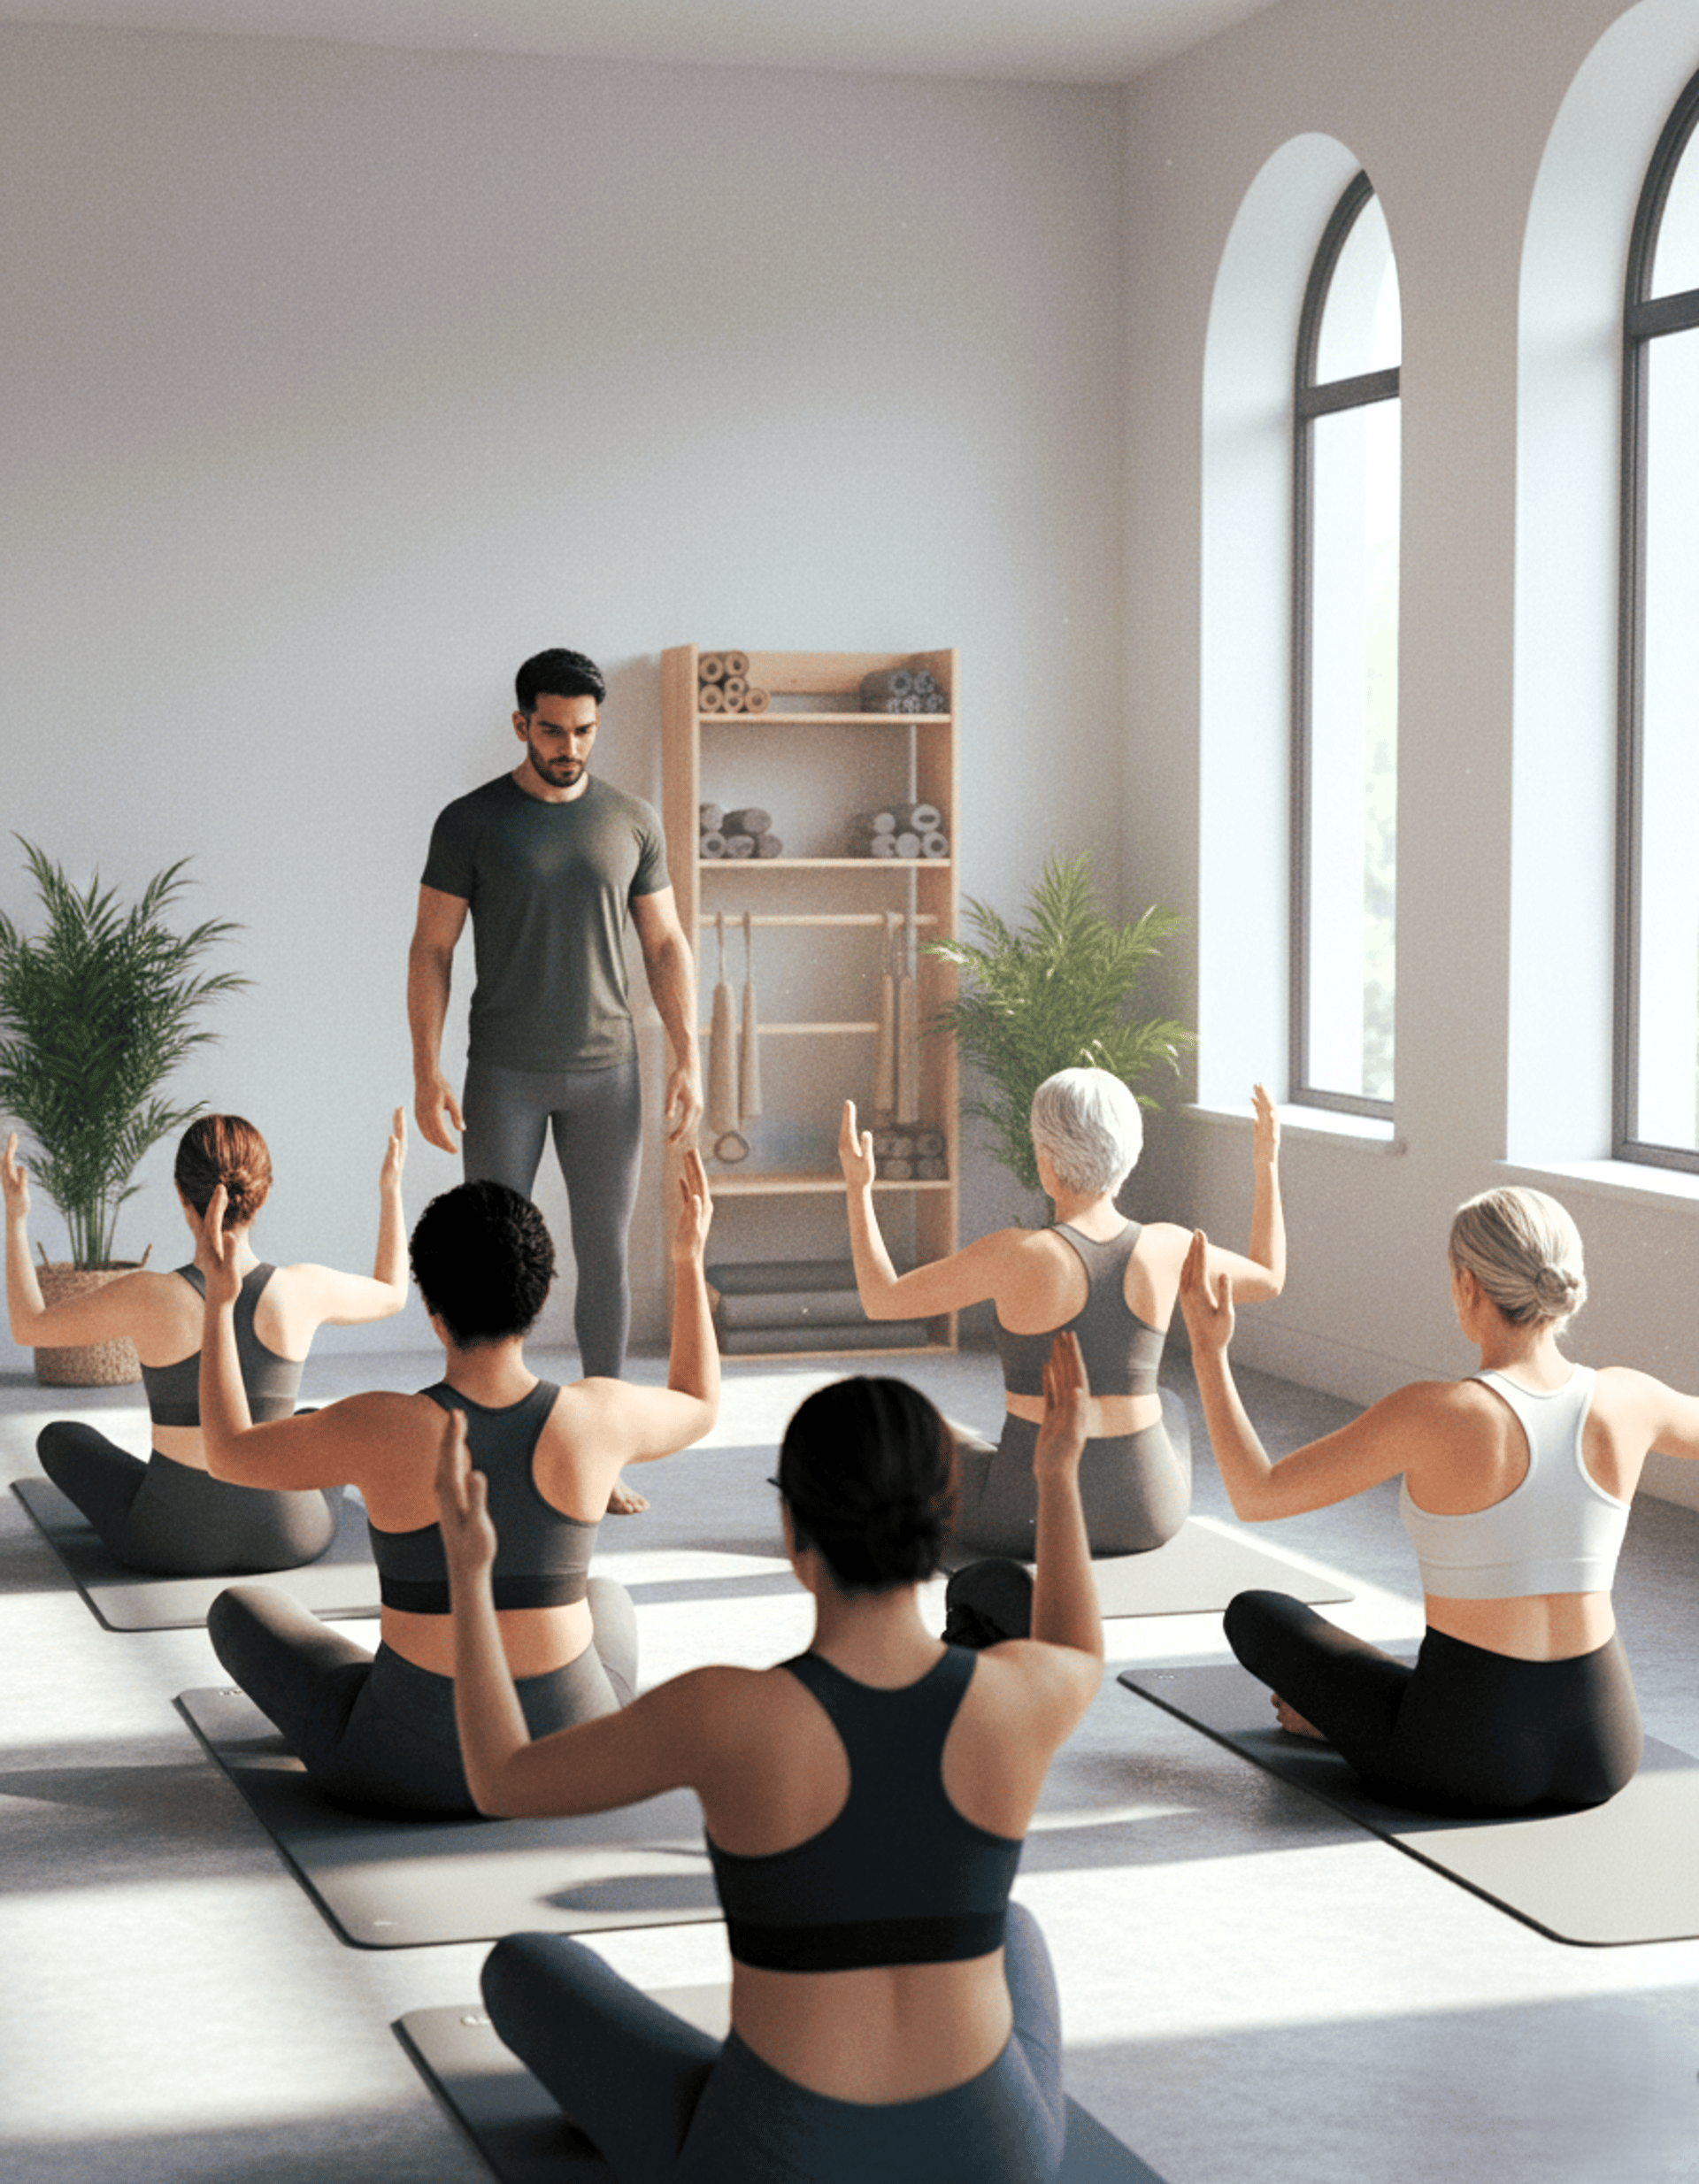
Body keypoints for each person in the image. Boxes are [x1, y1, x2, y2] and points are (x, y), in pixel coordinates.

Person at [433, 1332, 1103, 2184]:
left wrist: (469, 1575)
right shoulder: (1022, 1695)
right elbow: (1079, 1647)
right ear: (944, 1523)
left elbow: (499, 1779)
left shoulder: (725, 1713)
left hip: (776, 2163)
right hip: (995, 2159)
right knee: (1014, 1926)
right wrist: (1057, 1476)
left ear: (793, 1530)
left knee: (525, 1970)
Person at [196, 1154, 719, 1818]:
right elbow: (699, 1401)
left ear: (432, 1308)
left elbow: (227, 1453)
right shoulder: (598, 1416)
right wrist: (686, 1262)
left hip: (402, 1763)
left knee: (239, 1610)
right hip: (569, 1752)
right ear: (540, 1296)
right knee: (606, 1595)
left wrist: (220, 1303)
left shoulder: (379, 1424)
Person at [1178, 1184, 1699, 1814]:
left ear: (1468, 1286)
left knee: (1257, 1614)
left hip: (1464, 1761)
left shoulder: (1435, 1412)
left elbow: (1256, 1495)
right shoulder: (1630, 1398)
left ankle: (1342, 1724)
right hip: (1604, 1751)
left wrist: (1208, 1350)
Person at [407, 650, 703, 1529]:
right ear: (520, 725)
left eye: (583, 731)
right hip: (502, 1072)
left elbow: (665, 945)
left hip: (609, 1072)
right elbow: (431, 947)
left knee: (604, 1252)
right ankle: (484, 1445)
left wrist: (687, 1052)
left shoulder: (631, 820)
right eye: (551, 730)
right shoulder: (470, 822)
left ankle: (600, 1452)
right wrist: (425, 1068)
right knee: (487, 1260)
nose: (569, 747)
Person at [839, 1072, 1284, 1557]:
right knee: (1169, 1404)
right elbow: (1268, 1277)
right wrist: (1266, 1165)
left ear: (1045, 1161)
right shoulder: (1170, 1246)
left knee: (907, 1429)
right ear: (1129, 1155)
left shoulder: (1014, 1254)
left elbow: (882, 1298)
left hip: (1026, 1519)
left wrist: (859, 1189)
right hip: (1149, 1515)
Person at [4, 1112, 408, 1574]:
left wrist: (15, 1220)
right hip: (292, 1535)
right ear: (263, 1194)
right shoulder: (301, 1289)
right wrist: (391, 1190)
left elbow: (29, 1327)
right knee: (311, 1424)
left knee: (61, 1439)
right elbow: (393, 1293)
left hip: (170, 1539)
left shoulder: (147, 1295)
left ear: (181, 1194)